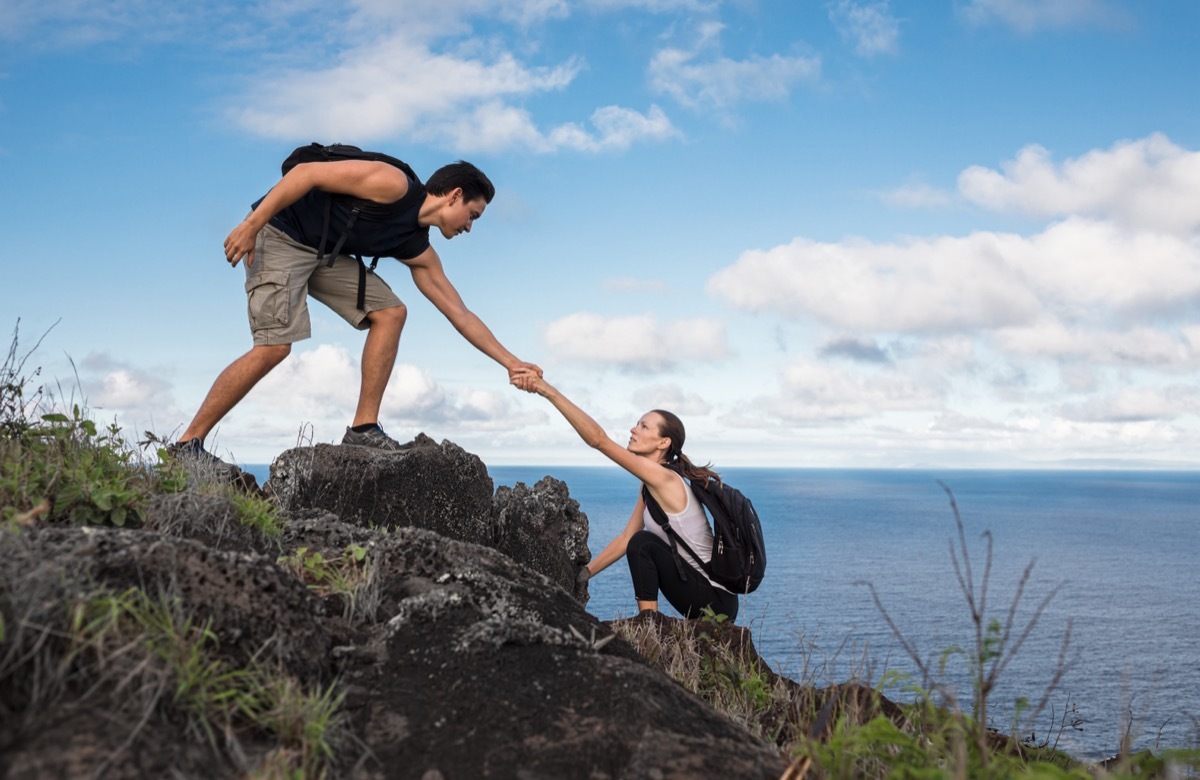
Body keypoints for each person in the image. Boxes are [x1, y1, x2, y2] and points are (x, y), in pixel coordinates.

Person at [171, 151, 541, 468]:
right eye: (473, 215)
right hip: (279, 235)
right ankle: (188, 444)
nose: (470, 227)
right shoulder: (393, 184)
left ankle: (363, 429)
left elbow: (460, 313)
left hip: (323, 254)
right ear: (455, 196)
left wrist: (511, 362)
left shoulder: (416, 247)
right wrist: (252, 225)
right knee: (274, 347)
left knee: (392, 312)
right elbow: (306, 174)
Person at [512, 372, 737, 621]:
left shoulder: (665, 479)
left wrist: (548, 391)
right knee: (638, 540)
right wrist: (584, 574)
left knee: (644, 544)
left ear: (663, 442)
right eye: (637, 424)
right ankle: (650, 623)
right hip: (705, 595)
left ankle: (649, 625)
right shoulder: (651, 485)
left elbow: (598, 440)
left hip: (716, 600)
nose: (633, 429)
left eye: (643, 426)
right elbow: (625, 538)